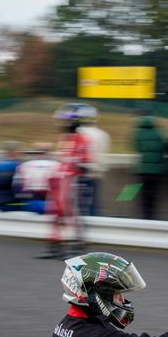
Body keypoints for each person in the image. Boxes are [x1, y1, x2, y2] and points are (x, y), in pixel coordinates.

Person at [44, 105, 91, 259]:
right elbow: (62, 160)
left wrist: (75, 172)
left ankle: (77, 244)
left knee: (72, 212)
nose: (63, 125)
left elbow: (85, 161)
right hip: (61, 180)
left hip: (73, 181)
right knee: (57, 212)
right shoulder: (66, 139)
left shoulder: (82, 139)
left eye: (66, 122)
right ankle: (56, 245)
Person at [76, 105, 109, 217]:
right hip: (95, 173)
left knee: (78, 205)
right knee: (94, 204)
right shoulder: (103, 134)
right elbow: (102, 157)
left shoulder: (77, 133)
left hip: (79, 173)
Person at [133, 115, 166, 220]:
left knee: (144, 197)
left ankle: (145, 218)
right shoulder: (159, 132)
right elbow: (165, 146)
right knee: (154, 196)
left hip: (143, 170)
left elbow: (137, 148)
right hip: (157, 171)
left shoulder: (139, 133)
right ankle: (152, 219)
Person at [13, 142, 55, 214]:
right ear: (48, 153)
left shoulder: (23, 165)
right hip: (51, 204)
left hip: (29, 203)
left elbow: (16, 189)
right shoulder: (57, 165)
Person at [0, 141, 22, 212]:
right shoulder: (17, 166)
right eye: (19, 152)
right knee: (30, 204)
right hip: (12, 204)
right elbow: (18, 190)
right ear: (13, 153)